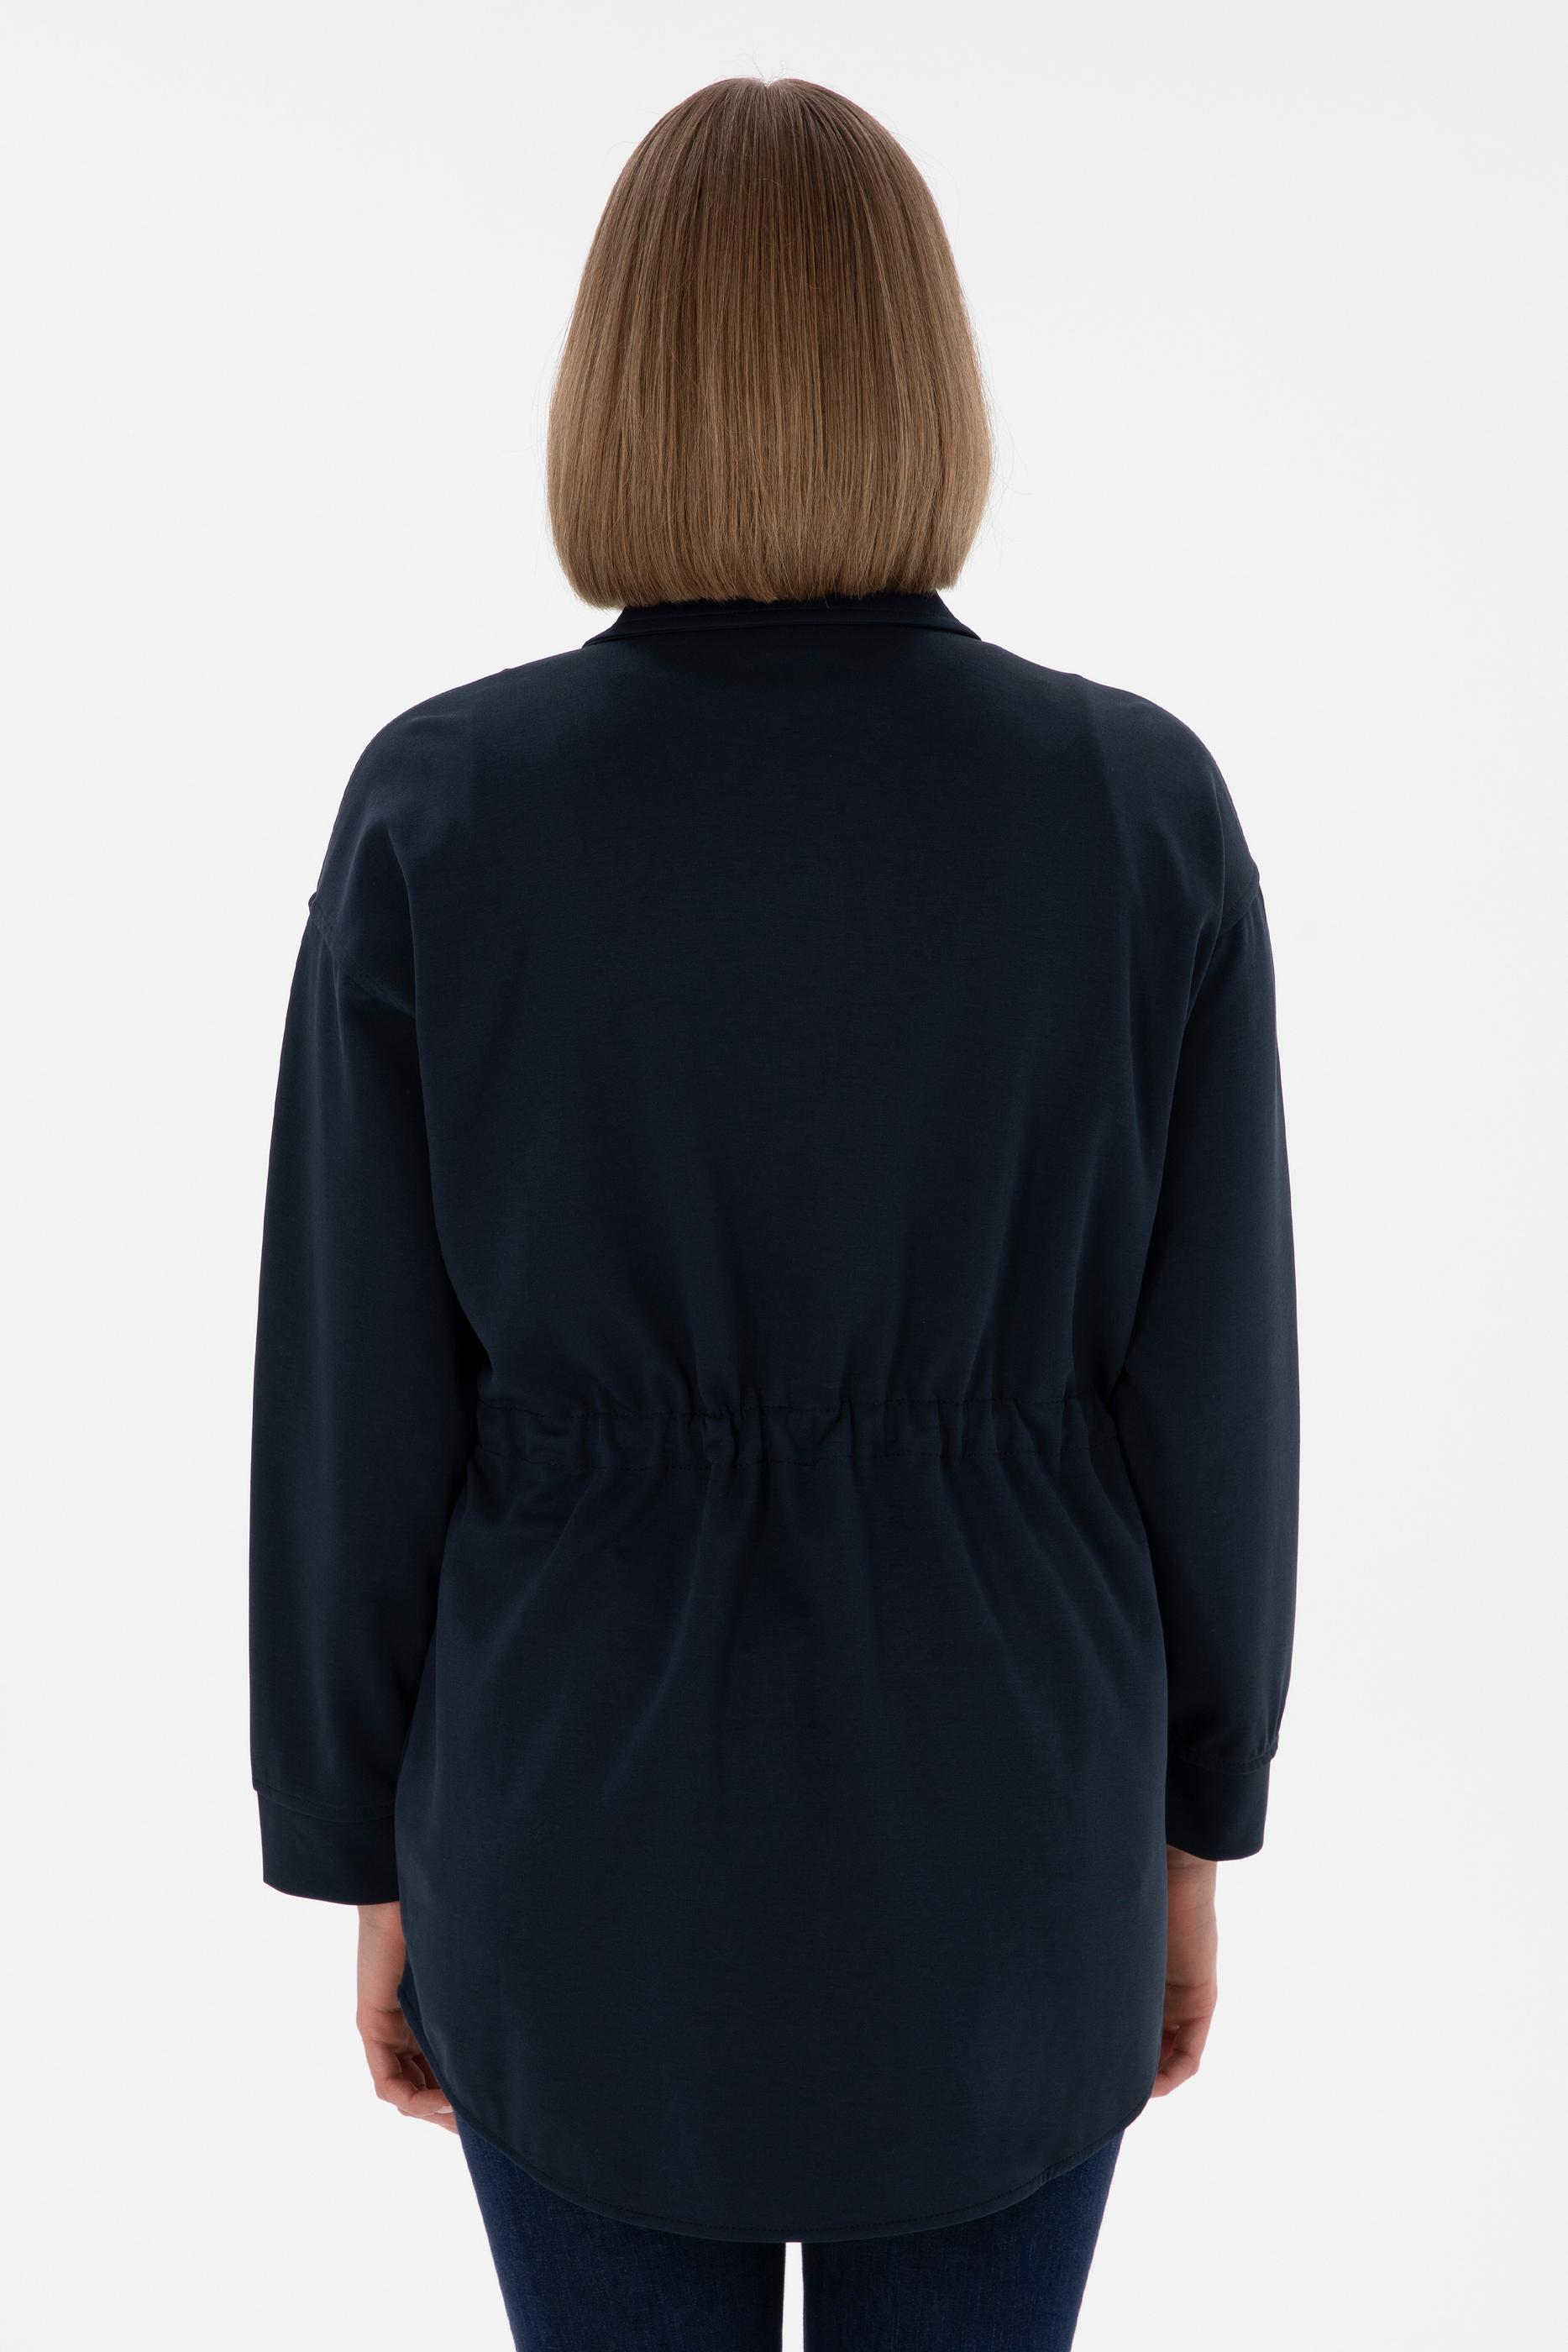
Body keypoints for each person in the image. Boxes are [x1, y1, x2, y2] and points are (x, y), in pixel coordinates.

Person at [249, 74, 1298, 2351]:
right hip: (1016, 1815)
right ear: (928, 376)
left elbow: (352, 1394)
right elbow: (1216, 1387)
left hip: (571, 1817)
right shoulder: (1135, 809)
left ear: (612, 383)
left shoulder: (443, 810)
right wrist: (1192, 1820)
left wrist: (364, 1847)